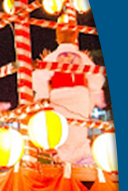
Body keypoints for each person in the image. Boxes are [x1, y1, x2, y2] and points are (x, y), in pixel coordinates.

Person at [32, 22, 106, 165]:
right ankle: (83, 160)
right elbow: (96, 77)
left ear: (57, 38)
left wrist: (43, 97)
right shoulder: (83, 58)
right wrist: (95, 97)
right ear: (76, 36)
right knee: (79, 131)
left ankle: (63, 162)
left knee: (62, 133)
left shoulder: (52, 57)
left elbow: (38, 78)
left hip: (59, 98)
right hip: (81, 98)